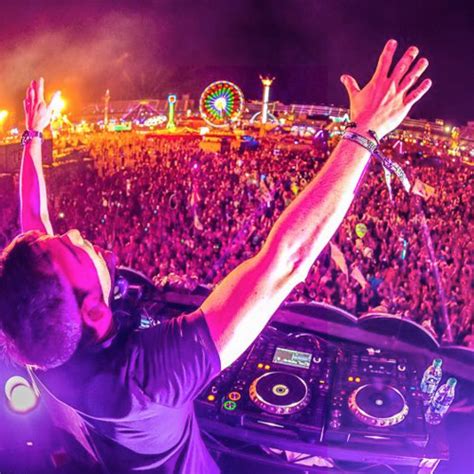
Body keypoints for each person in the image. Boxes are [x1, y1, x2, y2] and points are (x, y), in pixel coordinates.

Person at [0, 40, 431, 473]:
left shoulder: (34, 338)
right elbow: (285, 262)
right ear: (93, 311)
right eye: (72, 248)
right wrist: (364, 133)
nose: (74, 233)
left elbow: (32, 225)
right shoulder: (147, 377)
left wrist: (33, 135)